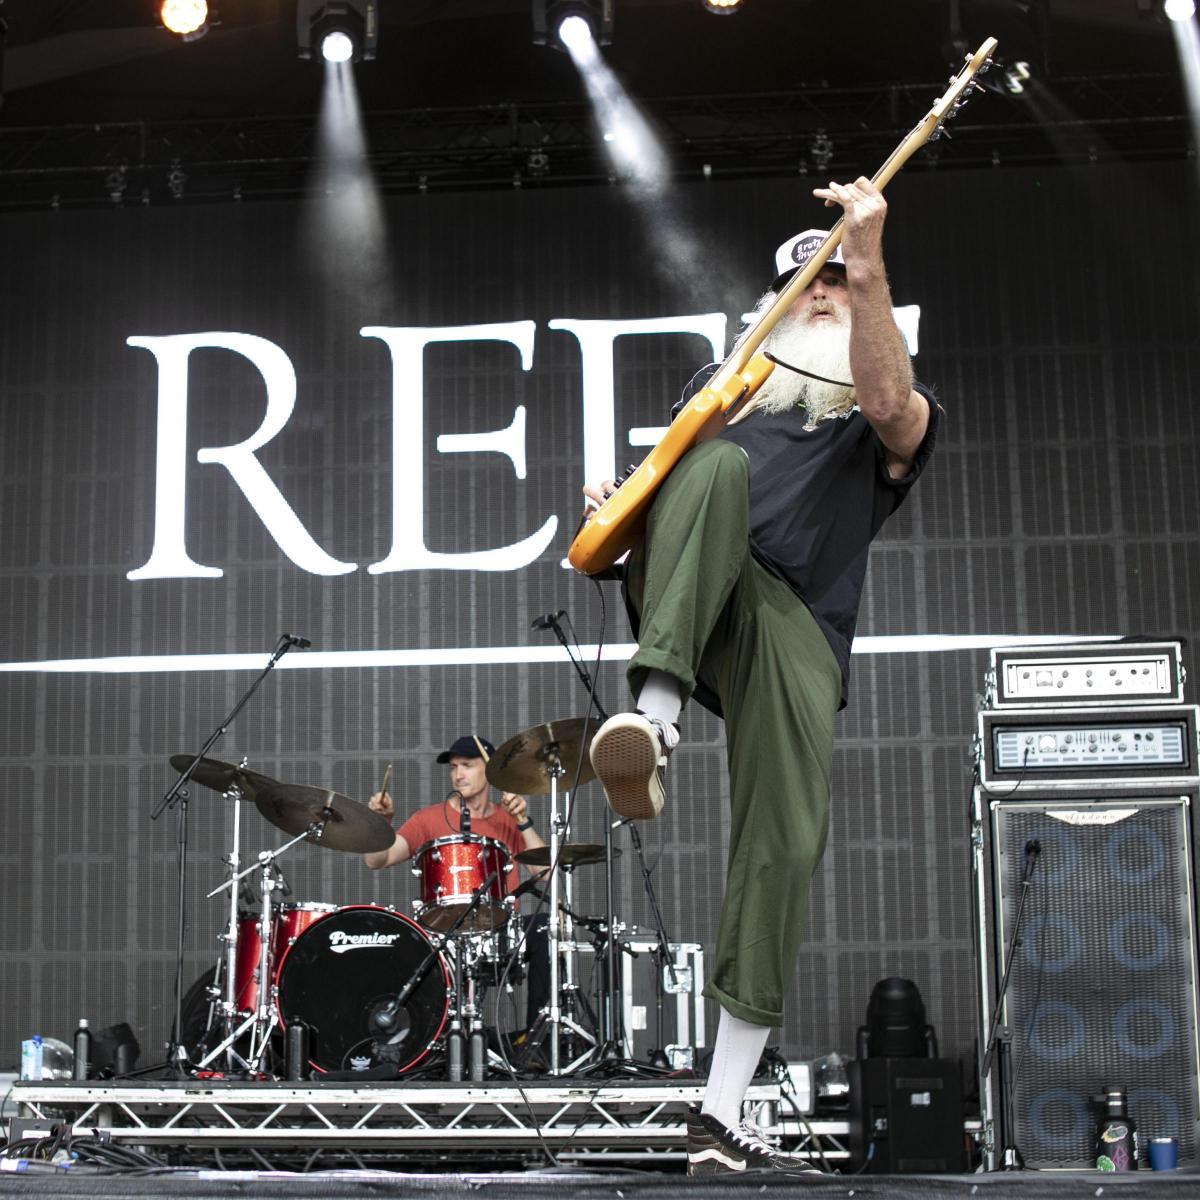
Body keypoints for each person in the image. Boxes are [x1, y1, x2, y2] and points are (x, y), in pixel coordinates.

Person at [583, 177, 939, 1174]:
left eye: (830, 283)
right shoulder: (721, 406)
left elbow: (891, 403)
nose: (817, 296)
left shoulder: (879, 415)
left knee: (785, 839)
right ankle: (651, 722)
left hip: (793, 626)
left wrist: (866, 270)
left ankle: (721, 1111)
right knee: (710, 465)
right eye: (805, 288)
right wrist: (622, 511)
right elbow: (641, 529)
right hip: (693, 602)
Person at [363, 734, 551, 1031]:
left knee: (545, 927)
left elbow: (548, 873)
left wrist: (523, 821)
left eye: (466, 765)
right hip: (444, 932)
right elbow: (376, 860)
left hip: (501, 929)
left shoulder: (507, 819)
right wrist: (379, 824)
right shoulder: (428, 819)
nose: (458, 774)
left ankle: (537, 1041)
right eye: (453, 767)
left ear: (488, 770)